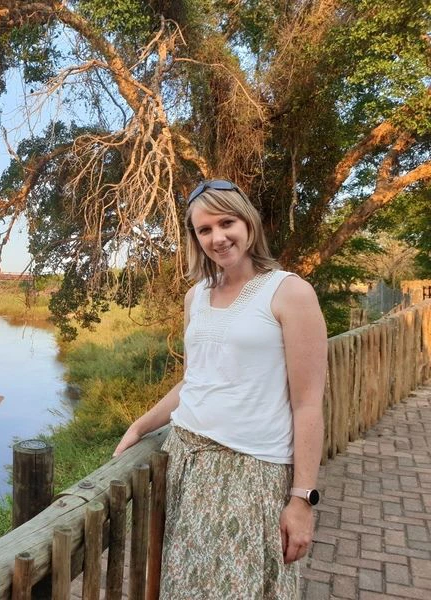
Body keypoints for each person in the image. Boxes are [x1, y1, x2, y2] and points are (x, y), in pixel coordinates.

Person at [113, 179, 327, 599]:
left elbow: (308, 405)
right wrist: (140, 426)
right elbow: (194, 381)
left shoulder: (289, 292)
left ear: (248, 222)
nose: (218, 237)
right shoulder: (198, 296)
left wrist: (302, 499)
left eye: (226, 222)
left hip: (249, 471)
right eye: (204, 230)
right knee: (183, 585)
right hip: (186, 460)